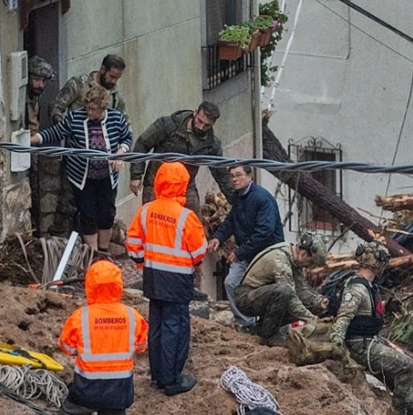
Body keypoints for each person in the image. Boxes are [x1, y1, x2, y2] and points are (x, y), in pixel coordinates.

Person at [125, 162, 207, 396]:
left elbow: (132, 242)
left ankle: (158, 376)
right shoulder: (185, 216)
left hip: (152, 276)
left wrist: (142, 262)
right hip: (178, 279)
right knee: (176, 328)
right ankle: (171, 380)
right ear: (183, 185)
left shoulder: (147, 210)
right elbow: (199, 251)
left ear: (159, 182)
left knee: (157, 326)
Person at [33, 85, 132, 258]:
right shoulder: (75, 118)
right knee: (88, 214)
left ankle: (103, 251)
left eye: (93, 109)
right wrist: (34, 139)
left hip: (107, 176)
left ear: (103, 108)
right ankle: (92, 254)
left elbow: (127, 137)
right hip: (83, 177)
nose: (89, 112)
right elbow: (56, 132)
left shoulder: (116, 118)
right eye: (87, 108)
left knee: (106, 213)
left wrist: (120, 152)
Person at [331, 241, 413, 415]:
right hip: (360, 346)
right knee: (406, 365)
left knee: (400, 381)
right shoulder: (357, 288)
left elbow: (365, 310)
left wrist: (386, 306)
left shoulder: (365, 285)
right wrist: (337, 344)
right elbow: (344, 317)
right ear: (378, 263)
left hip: (369, 341)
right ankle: (396, 411)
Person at [57, 260, 148, 415]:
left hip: (86, 388)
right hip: (119, 391)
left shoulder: (81, 316)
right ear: (118, 285)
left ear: (90, 286)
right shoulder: (132, 316)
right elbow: (141, 347)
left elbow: (67, 347)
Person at [208, 165, 284, 329]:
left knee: (272, 291)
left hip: (267, 255)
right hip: (248, 254)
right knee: (231, 283)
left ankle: (277, 329)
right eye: (232, 176)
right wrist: (218, 238)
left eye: (239, 175)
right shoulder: (238, 197)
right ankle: (246, 323)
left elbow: (265, 231)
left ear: (250, 176)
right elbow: (231, 221)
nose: (235, 179)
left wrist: (240, 251)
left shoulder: (261, 198)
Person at [128, 102, 232, 210]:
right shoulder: (168, 125)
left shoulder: (211, 144)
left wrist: (236, 200)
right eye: (199, 121)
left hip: (186, 187)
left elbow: (221, 174)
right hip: (157, 184)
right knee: (154, 220)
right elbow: (142, 143)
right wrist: (136, 176)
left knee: (195, 223)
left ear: (213, 124)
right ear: (195, 113)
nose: (201, 127)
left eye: (207, 125)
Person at [234, 233, 328, 346]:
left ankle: (259, 330)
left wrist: (318, 301)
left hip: (262, 295)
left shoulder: (294, 260)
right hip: (245, 298)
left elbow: (300, 289)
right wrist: (310, 318)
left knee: (311, 303)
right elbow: (290, 294)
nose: (308, 267)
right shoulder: (280, 258)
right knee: (284, 292)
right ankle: (269, 335)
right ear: (304, 254)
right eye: (310, 262)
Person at [26, 55, 55, 237]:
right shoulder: (24, 98)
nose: (40, 85)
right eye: (36, 80)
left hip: (34, 149)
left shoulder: (36, 97)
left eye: (43, 81)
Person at [51, 54, 127, 122]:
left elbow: (124, 121)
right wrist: (62, 126)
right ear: (103, 69)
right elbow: (56, 107)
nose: (114, 81)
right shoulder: (79, 83)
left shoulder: (116, 96)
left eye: (117, 78)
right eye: (111, 76)